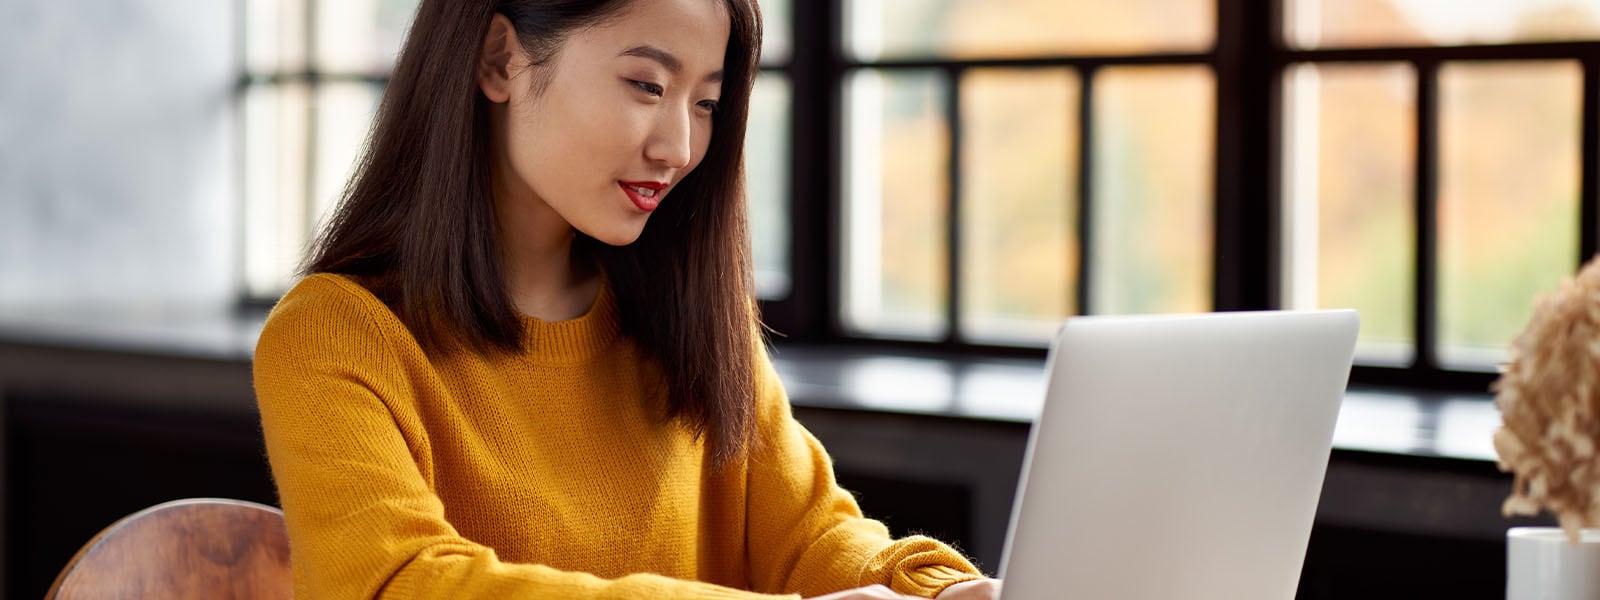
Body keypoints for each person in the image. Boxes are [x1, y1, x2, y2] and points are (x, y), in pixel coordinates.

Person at [251, 0, 1003, 598]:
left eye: (706, 103)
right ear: (500, 59)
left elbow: (812, 539)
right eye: (647, 85)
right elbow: (399, 584)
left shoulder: (691, 322)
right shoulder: (335, 335)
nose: (677, 146)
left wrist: (940, 593)